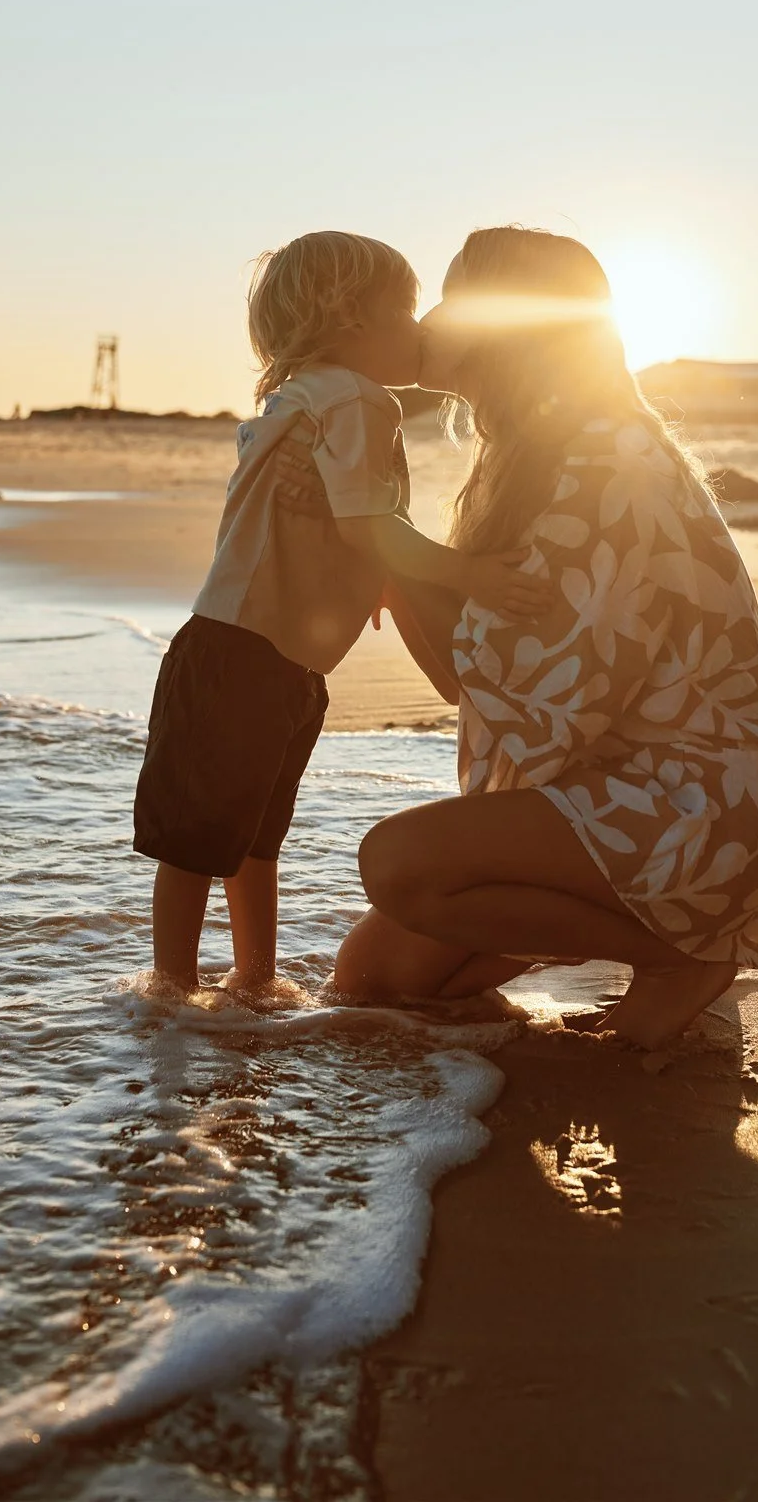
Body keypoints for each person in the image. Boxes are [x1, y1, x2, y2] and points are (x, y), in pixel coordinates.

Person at [334, 226, 758, 1049]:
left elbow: (524, 688)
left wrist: (388, 545)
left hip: (697, 808)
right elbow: (473, 673)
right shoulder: (530, 455)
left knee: (398, 863)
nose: (434, 319)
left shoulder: (605, 463)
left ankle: (677, 954)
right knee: (374, 983)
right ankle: (652, 944)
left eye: (456, 299)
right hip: (611, 790)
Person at [133, 230, 549, 999]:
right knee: (206, 842)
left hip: (264, 656)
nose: (422, 330)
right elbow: (366, 522)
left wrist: (374, 581)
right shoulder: (357, 399)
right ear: (351, 319)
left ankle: (248, 981)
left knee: (250, 834)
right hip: (246, 657)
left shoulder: (303, 399)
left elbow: (322, 523)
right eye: (406, 311)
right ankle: (175, 992)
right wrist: (470, 576)